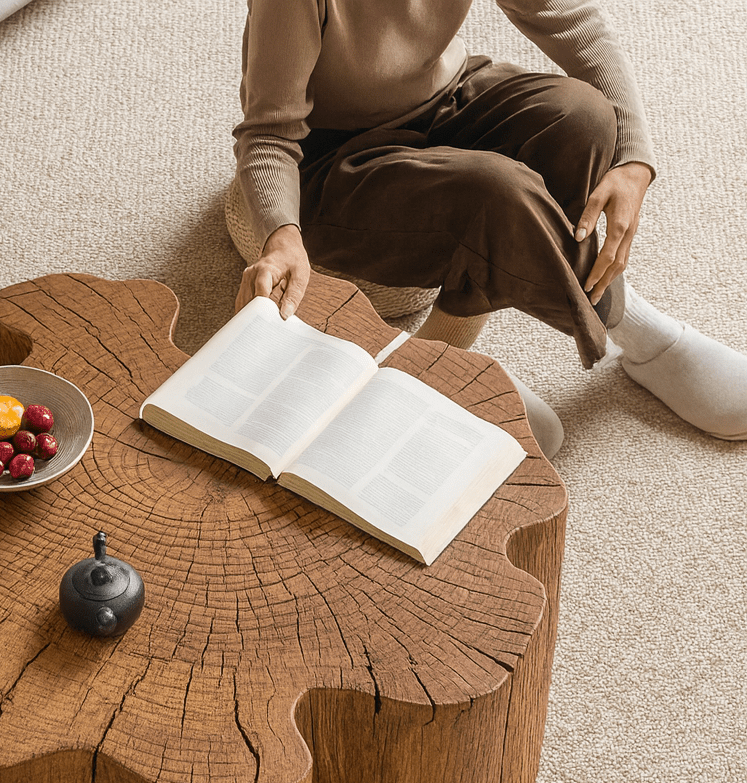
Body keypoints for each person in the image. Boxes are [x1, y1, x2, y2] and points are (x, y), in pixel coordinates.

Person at [231, 0, 747, 450]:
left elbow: (573, 19)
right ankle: (635, 326)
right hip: (331, 157)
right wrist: (280, 233)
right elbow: (269, 134)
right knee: (497, 195)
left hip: (445, 95)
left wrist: (634, 159)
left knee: (584, 117)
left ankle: (437, 352)